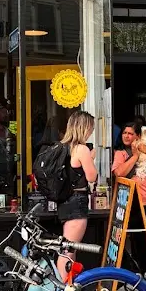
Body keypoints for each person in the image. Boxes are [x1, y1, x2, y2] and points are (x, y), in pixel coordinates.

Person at [112, 120, 146, 270]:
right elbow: (118, 173)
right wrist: (134, 156)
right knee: (133, 238)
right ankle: (135, 269)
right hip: (132, 201)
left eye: (130, 133)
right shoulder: (121, 153)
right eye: (124, 133)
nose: (127, 136)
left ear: (138, 136)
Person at [56, 110, 98, 278]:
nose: (92, 132)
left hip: (65, 201)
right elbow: (91, 176)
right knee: (68, 250)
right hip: (77, 201)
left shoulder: (64, 146)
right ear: (84, 128)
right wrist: (92, 158)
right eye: (91, 128)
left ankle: (68, 288)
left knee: (68, 247)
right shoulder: (82, 149)